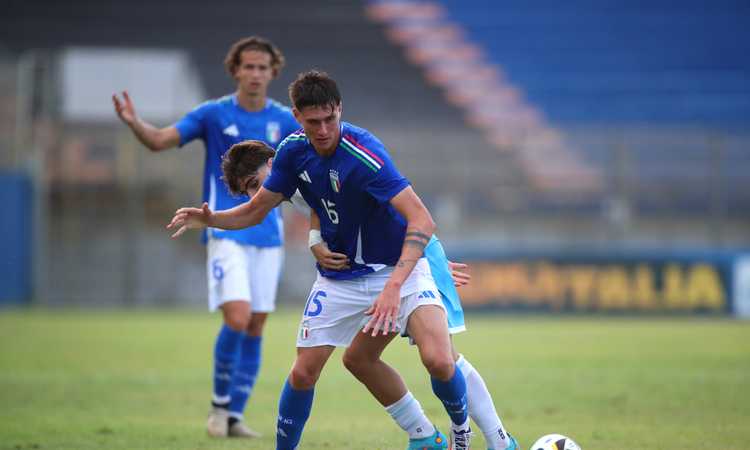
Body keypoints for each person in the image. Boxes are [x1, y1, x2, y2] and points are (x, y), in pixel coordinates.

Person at [167, 70, 515, 450]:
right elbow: (265, 209)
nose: (322, 129)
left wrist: (410, 275)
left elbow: (419, 219)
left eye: (329, 119)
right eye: (312, 121)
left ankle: (484, 437)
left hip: (404, 261)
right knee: (318, 369)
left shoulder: (362, 153)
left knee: (441, 358)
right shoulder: (292, 158)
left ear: (339, 110)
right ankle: (423, 436)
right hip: (344, 278)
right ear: (297, 117)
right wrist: (212, 218)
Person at [219, 140, 519, 450]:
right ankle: (426, 435)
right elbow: (320, 208)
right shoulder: (297, 179)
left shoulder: (311, 161)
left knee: (443, 359)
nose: (256, 196)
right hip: (369, 269)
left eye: (255, 184)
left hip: (408, 255)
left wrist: (432, 264)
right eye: (248, 192)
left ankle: (497, 439)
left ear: (272, 162)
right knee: (359, 358)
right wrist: (314, 240)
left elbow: (396, 211)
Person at [112, 36, 299, 438]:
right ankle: (218, 408)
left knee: (256, 325)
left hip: (269, 235)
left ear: (272, 72)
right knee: (238, 316)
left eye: (262, 67)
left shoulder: (285, 121)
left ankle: (234, 417)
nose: (254, 73)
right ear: (235, 70)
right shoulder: (213, 114)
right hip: (227, 230)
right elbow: (161, 141)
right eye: (247, 66)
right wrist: (134, 122)